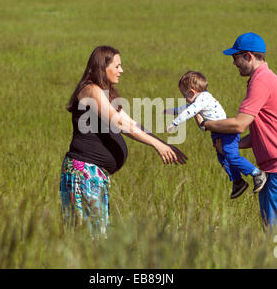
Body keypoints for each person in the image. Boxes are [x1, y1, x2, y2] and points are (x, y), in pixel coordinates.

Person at [61, 45, 187, 236]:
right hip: (84, 173)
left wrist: (162, 143)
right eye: (117, 66)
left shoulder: (105, 93)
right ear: (103, 67)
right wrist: (156, 145)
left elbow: (130, 122)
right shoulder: (90, 90)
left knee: (97, 235)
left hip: (94, 175)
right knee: (89, 238)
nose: (122, 70)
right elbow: (119, 123)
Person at [197, 32, 277, 234]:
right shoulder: (260, 79)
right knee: (273, 232)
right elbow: (260, 132)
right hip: (275, 169)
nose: (234, 63)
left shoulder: (262, 80)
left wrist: (207, 124)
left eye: (236, 57)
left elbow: (240, 124)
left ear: (249, 56)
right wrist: (233, 145)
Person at [165, 71, 267, 199]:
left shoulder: (202, 100)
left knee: (232, 157)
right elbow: (186, 107)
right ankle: (238, 182)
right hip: (218, 132)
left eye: (184, 95)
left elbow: (189, 111)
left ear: (191, 92)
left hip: (227, 132)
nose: (184, 98)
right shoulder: (198, 99)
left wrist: (174, 123)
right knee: (222, 158)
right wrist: (171, 111)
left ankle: (257, 173)